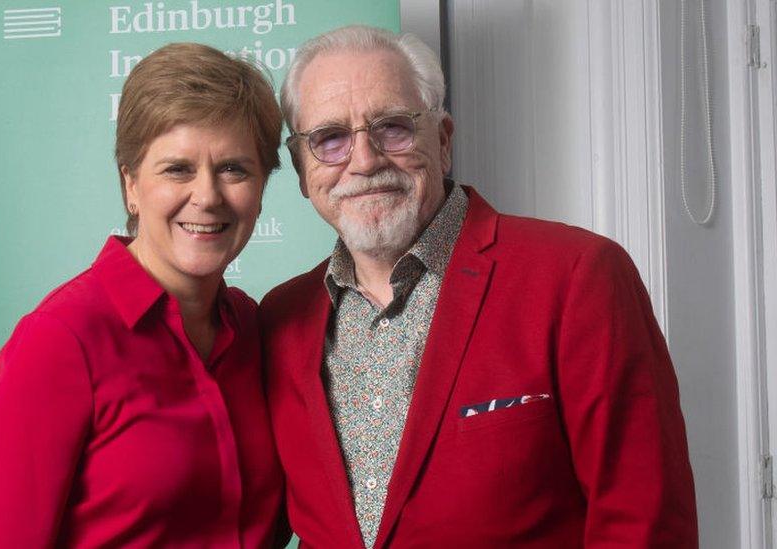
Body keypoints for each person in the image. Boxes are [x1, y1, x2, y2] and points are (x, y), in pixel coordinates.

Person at [260, 25, 698, 548]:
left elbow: (644, 523)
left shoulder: (577, 275)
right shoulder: (280, 320)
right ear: (304, 172)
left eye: (393, 127)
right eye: (329, 140)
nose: (364, 160)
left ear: (443, 141)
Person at [0, 42, 286, 548]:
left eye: (233, 169)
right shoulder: (58, 341)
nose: (207, 196)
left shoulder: (253, 326)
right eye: (177, 168)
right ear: (131, 185)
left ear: (262, 187)